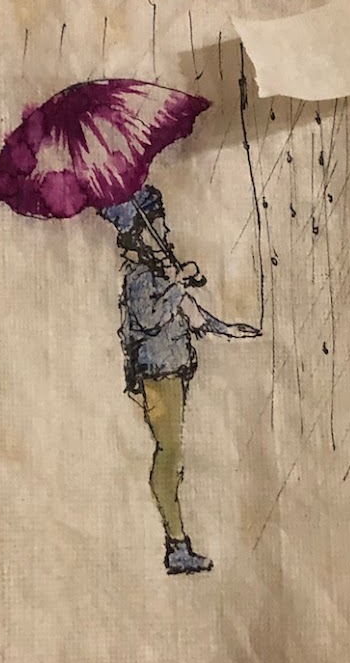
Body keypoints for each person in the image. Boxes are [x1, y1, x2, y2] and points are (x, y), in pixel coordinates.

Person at [102, 185, 259, 575]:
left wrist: (226, 328)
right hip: (158, 375)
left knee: (174, 455)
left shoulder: (159, 275)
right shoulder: (139, 278)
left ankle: (177, 541)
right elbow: (150, 318)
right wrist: (179, 284)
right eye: (160, 226)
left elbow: (193, 314)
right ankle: (176, 546)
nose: (167, 233)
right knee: (169, 453)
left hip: (174, 371)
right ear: (141, 234)